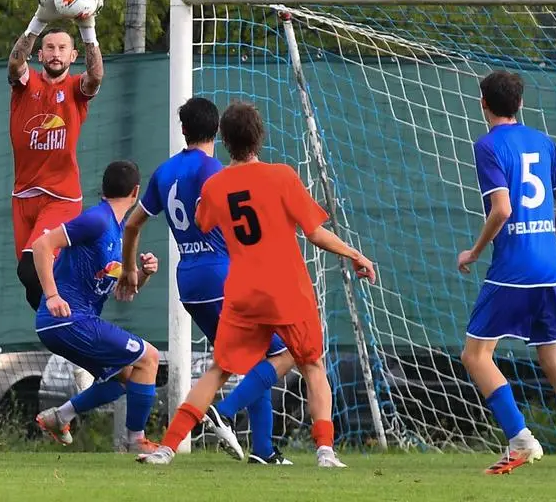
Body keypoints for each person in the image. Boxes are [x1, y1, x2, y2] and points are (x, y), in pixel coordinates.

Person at [136, 102, 376, 468]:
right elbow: (315, 233)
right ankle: (325, 450)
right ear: (259, 137)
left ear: (225, 140)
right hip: (286, 289)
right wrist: (355, 254)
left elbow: (201, 221)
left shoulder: (215, 184)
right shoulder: (281, 176)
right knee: (311, 363)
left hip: (242, 292)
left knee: (219, 369)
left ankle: (168, 448)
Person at [116, 96, 293, 464]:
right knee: (283, 352)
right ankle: (224, 411)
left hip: (190, 283)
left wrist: (129, 268)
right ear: (217, 131)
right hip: (222, 277)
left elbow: (132, 224)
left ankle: (263, 450)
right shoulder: (216, 171)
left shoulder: (164, 172)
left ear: (183, 130)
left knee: (247, 359)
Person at [458, 70, 556, 476]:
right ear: (520, 104)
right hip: (549, 268)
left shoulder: (487, 146)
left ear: (483, 103)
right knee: (554, 356)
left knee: (475, 354)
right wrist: (546, 234)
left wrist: (474, 251)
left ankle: (521, 440)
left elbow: (502, 209)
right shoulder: (545, 142)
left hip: (512, 269)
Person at [32, 160, 160, 454]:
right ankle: (137, 441)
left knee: (124, 378)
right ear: (136, 192)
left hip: (69, 321)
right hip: (66, 319)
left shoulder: (114, 231)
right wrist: (52, 295)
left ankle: (60, 416)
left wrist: (144, 274)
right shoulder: (98, 220)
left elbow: (119, 291)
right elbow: (42, 245)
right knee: (149, 358)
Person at [8, 0, 105, 310]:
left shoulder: (77, 90)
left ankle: (78, 300)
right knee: (29, 281)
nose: (56, 53)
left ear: (72, 55)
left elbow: (96, 77)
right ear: (41, 53)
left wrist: (88, 29)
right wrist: (39, 20)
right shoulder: (27, 83)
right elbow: (14, 64)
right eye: (50, 48)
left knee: (31, 266)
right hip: (24, 195)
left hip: (61, 196)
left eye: (63, 48)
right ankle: (62, 321)